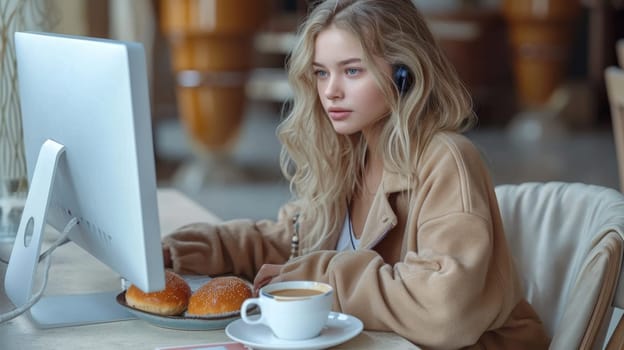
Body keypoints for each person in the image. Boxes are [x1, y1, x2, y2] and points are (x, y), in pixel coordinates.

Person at [162, 0, 550, 348]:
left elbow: (443, 308)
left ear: (404, 74)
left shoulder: (446, 159)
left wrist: (319, 276)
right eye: (320, 73)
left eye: (351, 71)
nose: (330, 92)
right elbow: (290, 240)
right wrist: (178, 252)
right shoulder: (349, 152)